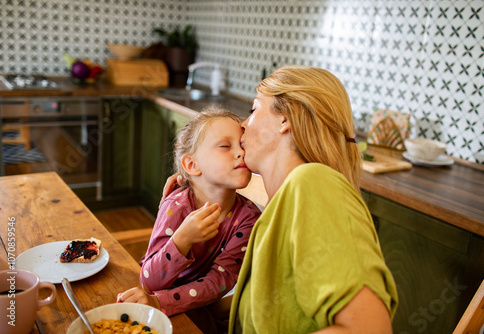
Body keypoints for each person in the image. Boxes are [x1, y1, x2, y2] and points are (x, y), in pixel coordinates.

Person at [161, 65, 398, 333]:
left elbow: (368, 328)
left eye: (254, 109)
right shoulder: (283, 205)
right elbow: (268, 307)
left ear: (285, 120)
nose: (242, 124)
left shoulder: (313, 183)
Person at [116, 108, 261, 327]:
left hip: (192, 306)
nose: (240, 152)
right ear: (192, 165)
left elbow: (219, 282)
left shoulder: (249, 219)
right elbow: (149, 280)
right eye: (225, 146)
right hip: (150, 298)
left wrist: (159, 302)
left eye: (242, 145)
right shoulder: (177, 205)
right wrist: (182, 239)